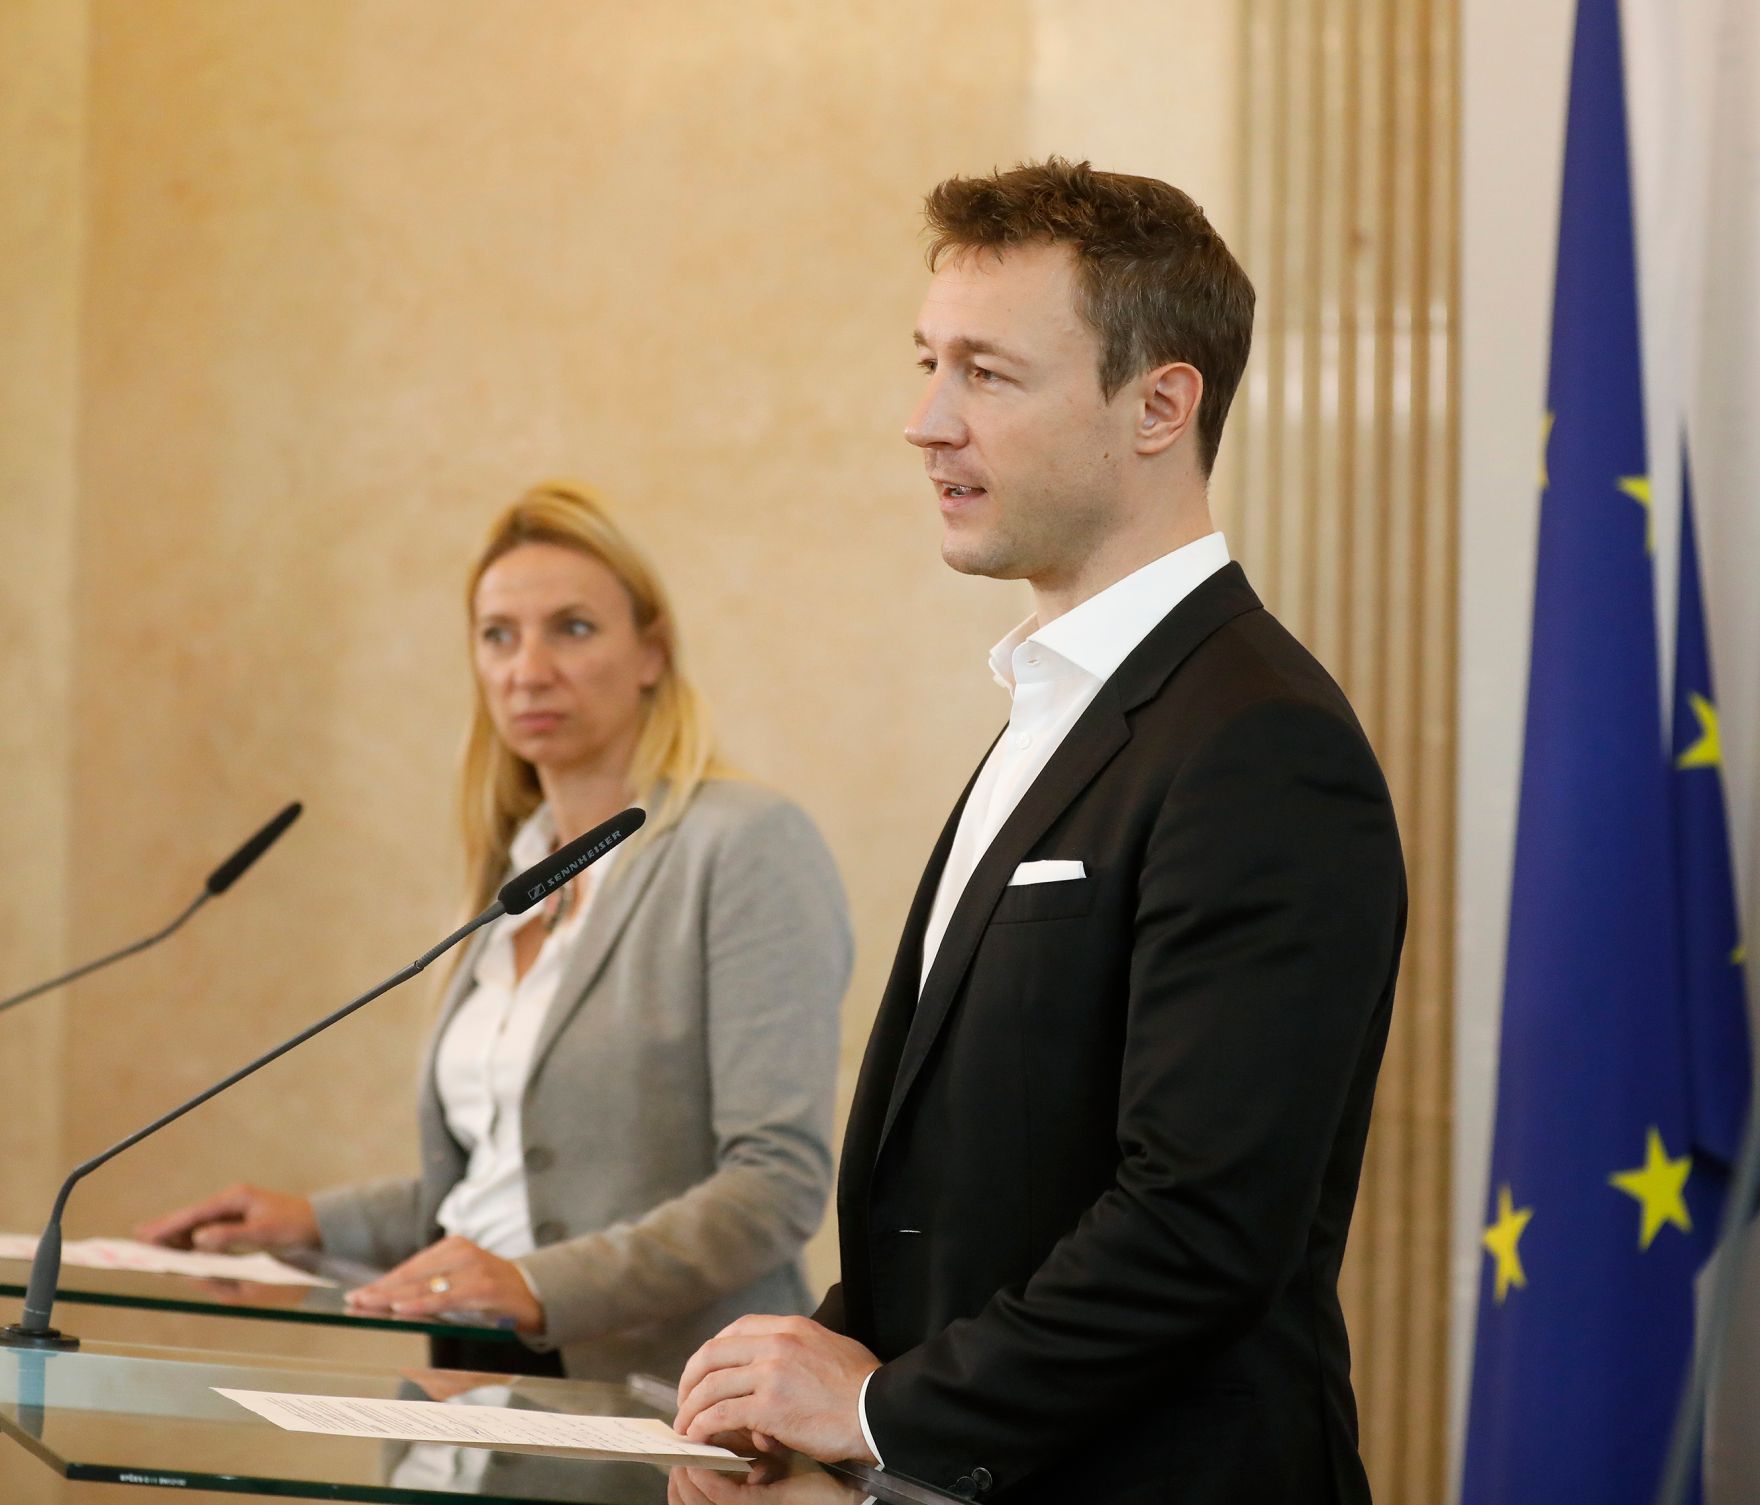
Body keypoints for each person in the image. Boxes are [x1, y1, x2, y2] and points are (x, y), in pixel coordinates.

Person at [671, 160, 1407, 1504]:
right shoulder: (1059, 707)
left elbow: (1201, 1225)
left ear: (1159, 405)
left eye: (986, 375)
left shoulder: (1260, 742)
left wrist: (887, 1410)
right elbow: (977, 1191)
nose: (925, 422)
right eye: (927, 363)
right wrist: (813, 1390)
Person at [141, 482, 853, 1383]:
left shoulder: (743, 842)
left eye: (574, 628)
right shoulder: (509, 873)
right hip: (467, 1372)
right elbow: (511, 1186)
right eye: (498, 635)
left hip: (671, 1396)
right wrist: (312, 1223)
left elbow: (772, 1187)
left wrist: (536, 1284)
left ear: (652, 653)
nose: (528, 668)